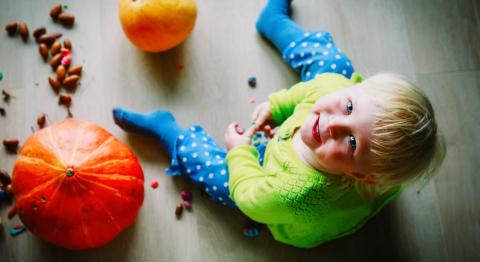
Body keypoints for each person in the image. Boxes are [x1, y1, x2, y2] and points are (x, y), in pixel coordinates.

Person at [112, 0, 446, 248]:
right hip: (311, 144)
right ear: (356, 90)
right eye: (348, 106)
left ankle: (169, 132)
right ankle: (273, 23)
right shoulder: (337, 91)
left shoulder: (297, 194)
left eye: (352, 142)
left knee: (225, 181)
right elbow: (311, 91)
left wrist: (241, 154)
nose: (333, 124)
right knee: (332, 66)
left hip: (267, 187)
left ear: (360, 175)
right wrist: (277, 105)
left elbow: (250, 197)